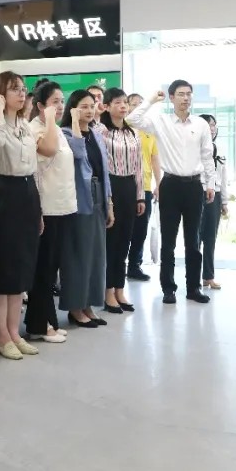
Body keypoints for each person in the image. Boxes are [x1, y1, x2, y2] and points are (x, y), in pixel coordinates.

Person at [126, 80, 215, 305]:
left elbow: (207, 155)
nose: (186, 98)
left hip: (194, 186)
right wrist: (151, 100)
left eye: (189, 94)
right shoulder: (161, 121)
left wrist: (210, 184)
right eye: (181, 94)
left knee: (193, 241)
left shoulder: (201, 124)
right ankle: (168, 288)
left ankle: (193, 288)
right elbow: (132, 119)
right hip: (170, 185)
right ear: (172, 97)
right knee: (168, 242)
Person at [0, 72, 42, 360]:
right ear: (0, 93)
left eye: (23, 89)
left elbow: (34, 166)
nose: (21, 93)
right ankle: (2, 336)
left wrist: (38, 209)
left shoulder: (25, 125)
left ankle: (15, 332)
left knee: (21, 267)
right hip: (2, 194)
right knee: (1, 267)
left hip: (27, 193)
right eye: (14, 89)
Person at [59, 90, 113, 327]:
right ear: (73, 108)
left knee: (96, 255)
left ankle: (89, 304)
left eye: (92, 106)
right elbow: (78, 153)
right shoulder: (65, 133)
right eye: (84, 106)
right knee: (78, 255)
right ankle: (75, 307)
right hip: (79, 198)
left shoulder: (96, 134)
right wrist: (74, 122)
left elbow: (105, 170)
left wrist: (110, 203)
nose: (90, 110)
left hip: (99, 194)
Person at [25, 81, 71, 343]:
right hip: (46, 207)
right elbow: (48, 152)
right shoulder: (36, 130)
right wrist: (51, 119)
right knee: (43, 270)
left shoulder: (56, 129)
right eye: (55, 102)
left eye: (62, 101)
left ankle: (49, 320)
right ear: (40, 106)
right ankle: (38, 325)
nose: (60, 106)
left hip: (61, 207)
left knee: (51, 269)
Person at [100, 88, 144, 312]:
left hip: (129, 186)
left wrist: (140, 196)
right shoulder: (102, 131)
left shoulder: (132, 133)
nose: (123, 106)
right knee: (111, 241)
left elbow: (139, 165)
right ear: (107, 106)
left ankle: (119, 288)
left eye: (125, 102)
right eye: (117, 102)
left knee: (125, 240)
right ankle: (107, 291)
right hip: (111, 186)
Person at [126, 93, 161, 281]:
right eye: (134, 104)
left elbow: (155, 158)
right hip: (125, 185)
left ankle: (134, 265)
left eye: (141, 103)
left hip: (145, 185)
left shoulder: (149, 130)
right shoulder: (124, 126)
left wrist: (158, 183)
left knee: (141, 229)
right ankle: (117, 265)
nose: (139, 106)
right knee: (124, 229)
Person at [197, 114, 229, 290]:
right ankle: (193, 276)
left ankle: (208, 276)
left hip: (214, 196)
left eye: (214, 125)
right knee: (195, 237)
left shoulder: (220, 149)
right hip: (197, 193)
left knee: (210, 237)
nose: (212, 128)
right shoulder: (194, 148)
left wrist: (224, 202)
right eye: (208, 125)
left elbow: (223, 178)